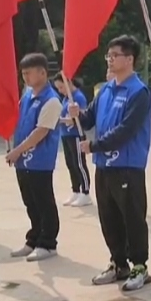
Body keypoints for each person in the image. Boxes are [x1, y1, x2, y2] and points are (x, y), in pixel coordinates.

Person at [70, 36, 151, 291]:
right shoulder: (106, 90)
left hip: (127, 165)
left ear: (129, 59)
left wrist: (95, 145)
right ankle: (118, 263)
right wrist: (77, 115)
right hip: (104, 166)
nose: (110, 59)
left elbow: (126, 130)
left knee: (132, 218)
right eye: (109, 55)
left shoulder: (138, 92)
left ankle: (139, 266)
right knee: (108, 217)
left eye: (115, 55)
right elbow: (89, 119)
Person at [6, 53, 62, 262]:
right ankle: (34, 238)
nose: (25, 77)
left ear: (42, 73)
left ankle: (48, 243)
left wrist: (17, 151)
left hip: (40, 161)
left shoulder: (51, 100)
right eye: (23, 74)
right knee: (30, 202)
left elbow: (41, 132)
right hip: (23, 160)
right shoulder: (27, 96)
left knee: (43, 202)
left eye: (29, 73)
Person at [54, 74, 91, 207]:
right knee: (71, 164)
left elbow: (78, 118)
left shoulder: (78, 97)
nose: (60, 91)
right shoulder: (65, 98)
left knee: (79, 164)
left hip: (76, 135)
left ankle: (85, 192)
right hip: (66, 135)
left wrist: (60, 120)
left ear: (69, 83)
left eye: (61, 87)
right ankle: (76, 190)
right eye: (58, 88)